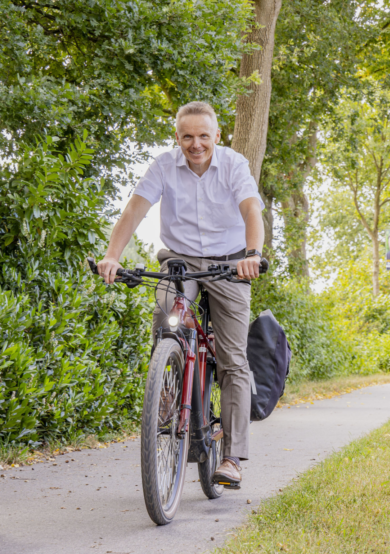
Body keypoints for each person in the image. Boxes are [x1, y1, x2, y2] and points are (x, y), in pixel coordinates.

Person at [96, 101, 264, 488]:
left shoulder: (234, 165)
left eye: (203, 136)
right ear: (177, 137)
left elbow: (252, 211)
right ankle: (168, 389)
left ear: (216, 137)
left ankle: (233, 456)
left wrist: (251, 254)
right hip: (181, 260)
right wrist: (112, 256)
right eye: (187, 136)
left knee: (234, 357)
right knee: (168, 316)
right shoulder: (163, 166)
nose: (196, 144)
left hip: (229, 262)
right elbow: (134, 211)